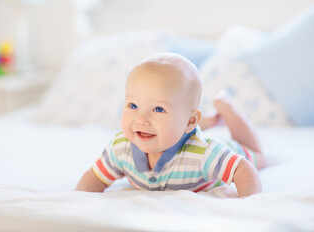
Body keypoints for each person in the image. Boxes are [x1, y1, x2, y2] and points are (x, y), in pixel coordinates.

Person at [75, 53, 265, 197]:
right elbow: (95, 177)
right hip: (181, 127)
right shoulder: (120, 148)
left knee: (258, 156)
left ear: (190, 121)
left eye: (158, 109)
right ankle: (206, 121)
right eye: (133, 106)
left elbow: (243, 168)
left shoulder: (204, 153)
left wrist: (247, 205)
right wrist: (79, 201)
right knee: (172, 127)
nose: (141, 119)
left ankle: (226, 108)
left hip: (222, 144)